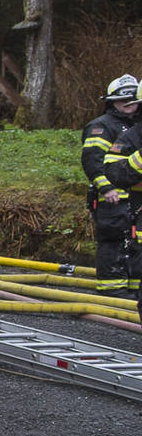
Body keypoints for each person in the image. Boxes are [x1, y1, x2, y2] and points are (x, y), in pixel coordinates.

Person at [80, 76, 141, 302]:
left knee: (134, 242)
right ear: (112, 102)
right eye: (124, 101)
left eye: (132, 101)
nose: (129, 105)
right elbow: (93, 160)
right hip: (112, 197)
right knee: (113, 239)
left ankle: (134, 286)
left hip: (133, 199)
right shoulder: (102, 126)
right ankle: (111, 288)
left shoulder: (135, 126)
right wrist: (106, 188)